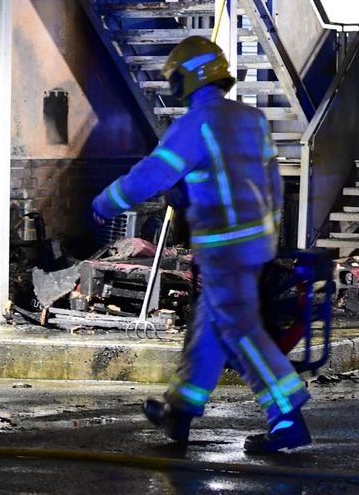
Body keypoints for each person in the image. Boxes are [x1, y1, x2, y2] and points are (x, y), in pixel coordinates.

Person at [91, 35, 311, 453]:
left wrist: (105, 202)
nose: (173, 87)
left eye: (174, 79)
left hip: (224, 247)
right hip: (253, 246)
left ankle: (287, 418)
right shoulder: (252, 119)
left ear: (187, 80)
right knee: (209, 330)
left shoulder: (195, 125)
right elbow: (268, 183)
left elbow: (150, 176)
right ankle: (181, 411)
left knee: (242, 332)